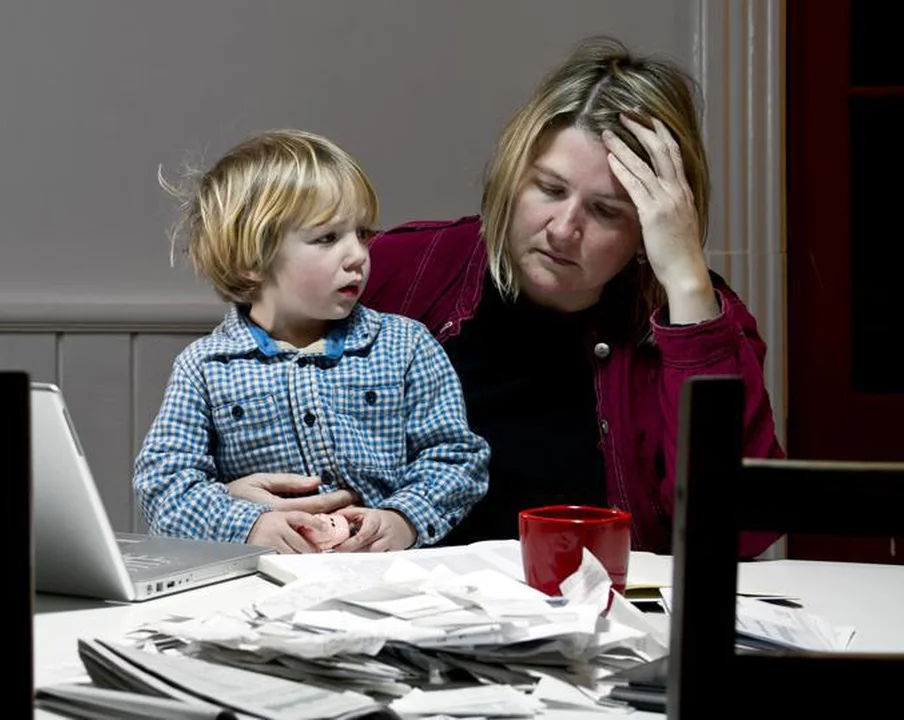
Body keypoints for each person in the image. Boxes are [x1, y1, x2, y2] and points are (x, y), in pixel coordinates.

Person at [227, 37, 783, 558]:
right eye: (550, 188)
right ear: (514, 174)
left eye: (607, 212)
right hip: (395, 616)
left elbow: (743, 530)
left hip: (599, 629)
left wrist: (687, 281)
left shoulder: (701, 319)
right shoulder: (401, 270)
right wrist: (234, 495)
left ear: (650, 226)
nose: (564, 230)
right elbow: (238, 417)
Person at [133, 129, 491, 555]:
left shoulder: (406, 346)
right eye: (327, 238)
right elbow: (164, 485)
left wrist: (404, 518)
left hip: (388, 580)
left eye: (362, 234)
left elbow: (457, 457)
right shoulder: (205, 367)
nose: (358, 255)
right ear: (251, 260)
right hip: (258, 584)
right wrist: (250, 525)